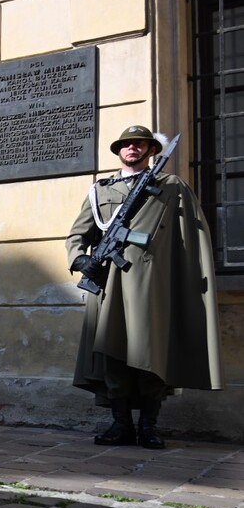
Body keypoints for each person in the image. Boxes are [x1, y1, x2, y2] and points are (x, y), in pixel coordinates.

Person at [66, 125, 223, 449]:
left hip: (152, 286)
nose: (132, 148)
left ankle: (149, 426)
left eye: (140, 144)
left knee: (150, 354)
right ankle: (120, 424)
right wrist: (80, 260)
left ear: (151, 150)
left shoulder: (170, 186)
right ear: (119, 150)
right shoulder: (102, 191)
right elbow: (78, 236)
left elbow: (189, 235)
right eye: (126, 144)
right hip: (110, 284)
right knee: (112, 354)